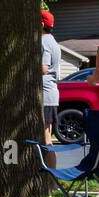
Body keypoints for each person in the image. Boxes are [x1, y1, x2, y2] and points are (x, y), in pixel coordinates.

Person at [40, 10, 62, 149]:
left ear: (41, 24)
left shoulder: (43, 42)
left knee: (46, 139)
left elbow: (44, 68)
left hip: (45, 96)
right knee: (45, 137)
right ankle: (48, 169)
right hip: (51, 94)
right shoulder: (53, 41)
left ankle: (50, 170)